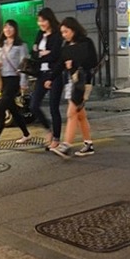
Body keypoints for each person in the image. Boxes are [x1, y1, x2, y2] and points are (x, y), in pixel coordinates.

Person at [46, 17, 98, 159]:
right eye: (62, 32)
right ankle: (88, 144)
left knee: (71, 113)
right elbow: (60, 64)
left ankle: (66, 145)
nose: (64, 35)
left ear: (74, 29)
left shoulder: (86, 43)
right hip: (70, 82)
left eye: (66, 31)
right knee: (80, 115)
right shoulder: (66, 46)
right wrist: (50, 78)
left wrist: (74, 63)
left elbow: (93, 61)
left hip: (82, 82)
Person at [0, 20, 32, 149]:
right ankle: (26, 134)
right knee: (13, 110)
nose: (8, 30)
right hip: (3, 80)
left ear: (15, 29)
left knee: (2, 107)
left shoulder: (21, 46)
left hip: (14, 80)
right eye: (6, 27)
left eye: (10, 27)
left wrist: (23, 83)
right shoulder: (1, 45)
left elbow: (24, 66)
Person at [28, 7, 64, 149]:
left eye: (43, 21)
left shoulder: (57, 35)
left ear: (50, 20)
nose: (41, 24)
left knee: (53, 108)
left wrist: (42, 54)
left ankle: (56, 138)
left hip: (54, 74)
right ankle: (48, 129)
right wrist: (43, 54)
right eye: (39, 21)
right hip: (42, 74)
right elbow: (33, 54)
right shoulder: (39, 34)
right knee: (33, 105)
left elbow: (56, 55)